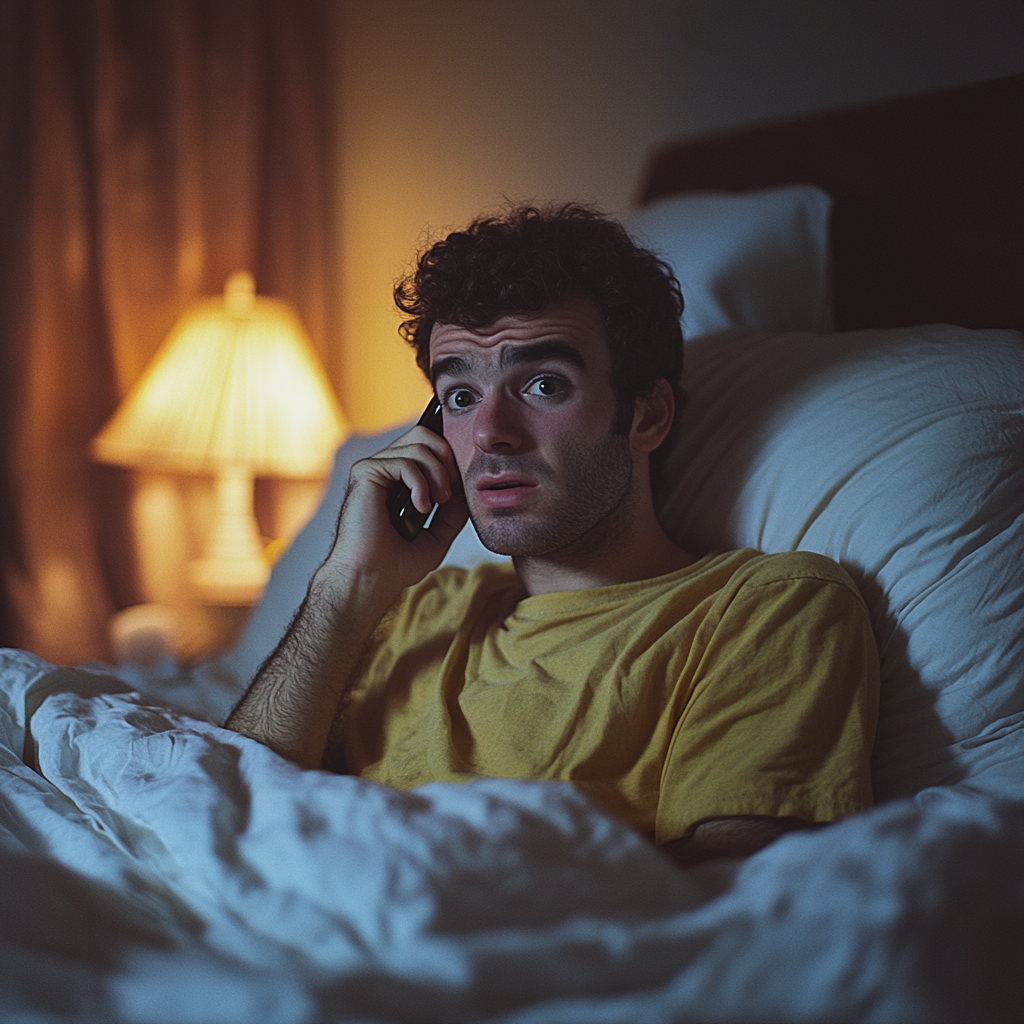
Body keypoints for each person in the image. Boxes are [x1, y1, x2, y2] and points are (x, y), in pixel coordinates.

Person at [226, 203, 879, 867]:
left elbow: (732, 908)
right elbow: (224, 811)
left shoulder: (765, 610)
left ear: (648, 415)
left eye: (542, 384)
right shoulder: (415, 609)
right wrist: (348, 588)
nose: (488, 433)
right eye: (459, 396)